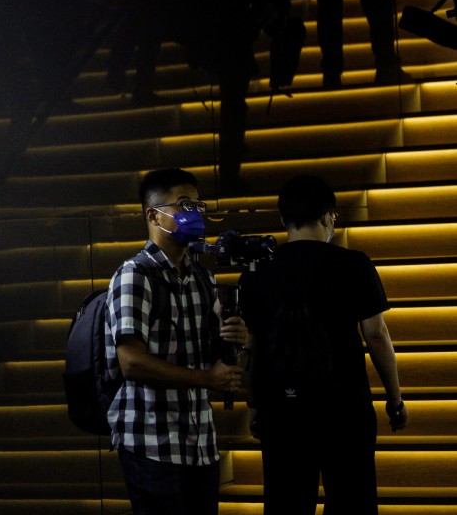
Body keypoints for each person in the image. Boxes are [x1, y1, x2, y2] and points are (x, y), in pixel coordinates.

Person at [240, 175, 408, 515]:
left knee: (286, 503)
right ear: (328, 216)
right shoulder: (353, 263)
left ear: (283, 219)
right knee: (352, 500)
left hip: (282, 410)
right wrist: (395, 399)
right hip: (344, 408)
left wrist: (254, 404)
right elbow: (376, 335)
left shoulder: (257, 272)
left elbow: (253, 344)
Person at [105, 167, 248, 515]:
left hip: (199, 443)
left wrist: (239, 340)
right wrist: (205, 379)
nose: (195, 214)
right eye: (184, 205)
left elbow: (212, 353)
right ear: (154, 215)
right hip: (151, 443)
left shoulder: (202, 276)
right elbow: (131, 362)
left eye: (198, 205)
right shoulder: (135, 275)